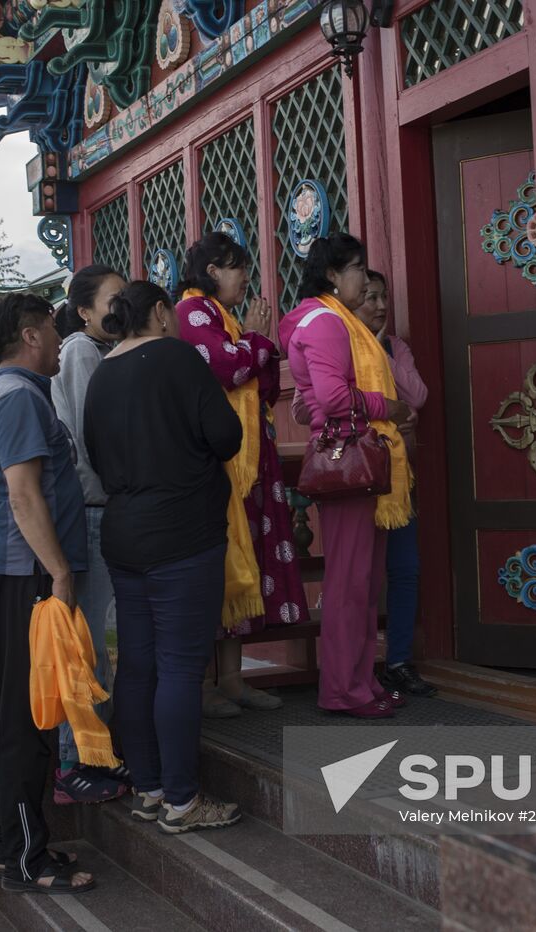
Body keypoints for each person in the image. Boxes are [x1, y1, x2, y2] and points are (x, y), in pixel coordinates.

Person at [84, 280, 244, 833]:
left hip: (125, 533)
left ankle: (149, 788)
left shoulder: (103, 372)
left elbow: (97, 456)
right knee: (179, 665)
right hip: (183, 533)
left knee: (139, 661)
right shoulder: (176, 358)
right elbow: (226, 436)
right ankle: (183, 800)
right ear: (158, 312)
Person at [0, 292, 96, 894]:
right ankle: (26, 857)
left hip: (7, 571)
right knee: (24, 718)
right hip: (23, 574)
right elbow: (24, 496)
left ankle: (14, 848)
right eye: (50, 324)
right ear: (31, 335)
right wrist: (62, 574)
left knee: (10, 715)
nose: (56, 333)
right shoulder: (19, 395)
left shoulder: (5, 391)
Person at [279, 235, 415, 718]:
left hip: (363, 457)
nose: (364, 276)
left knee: (365, 579)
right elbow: (335, 400)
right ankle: (341, 689)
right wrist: (390, 407)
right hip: (348, 457)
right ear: (333, 275)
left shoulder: (335, 321)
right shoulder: (326, 323)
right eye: (356, 268)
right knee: (348, 583)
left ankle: (360, 680)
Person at [174, 232, 309, 718]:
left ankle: (233, 678)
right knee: (219, 567)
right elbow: (231, 368)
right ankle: (207, 682)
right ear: (213, 270)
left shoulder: (224, 318)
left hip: (251, 458)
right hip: (221, 463)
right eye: (239, 269)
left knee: (245, 566)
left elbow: (265, 382)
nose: (247, 279)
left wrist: (254, 345)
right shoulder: (191, 312)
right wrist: (255, 339)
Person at [50, 263, 129, 801]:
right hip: (94, 508)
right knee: (90, 643)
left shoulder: (104, 351)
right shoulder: (80, 349)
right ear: (84, 311)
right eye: (112, 299)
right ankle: (75, 760)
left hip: (107, 507)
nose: (121, 308)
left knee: (105, 640)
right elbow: (86, 431)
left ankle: (97, 753)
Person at [359, 270, 437, 698]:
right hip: (360, 476)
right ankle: (361, 666)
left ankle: (400, 661)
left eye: (383, 297)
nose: (380, 305)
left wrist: (380, 351)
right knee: (363, 576)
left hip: (399, 477)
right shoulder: (345, 347)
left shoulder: (394, 347)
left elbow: (417, 397)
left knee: (405, 570)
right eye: (369, 297)